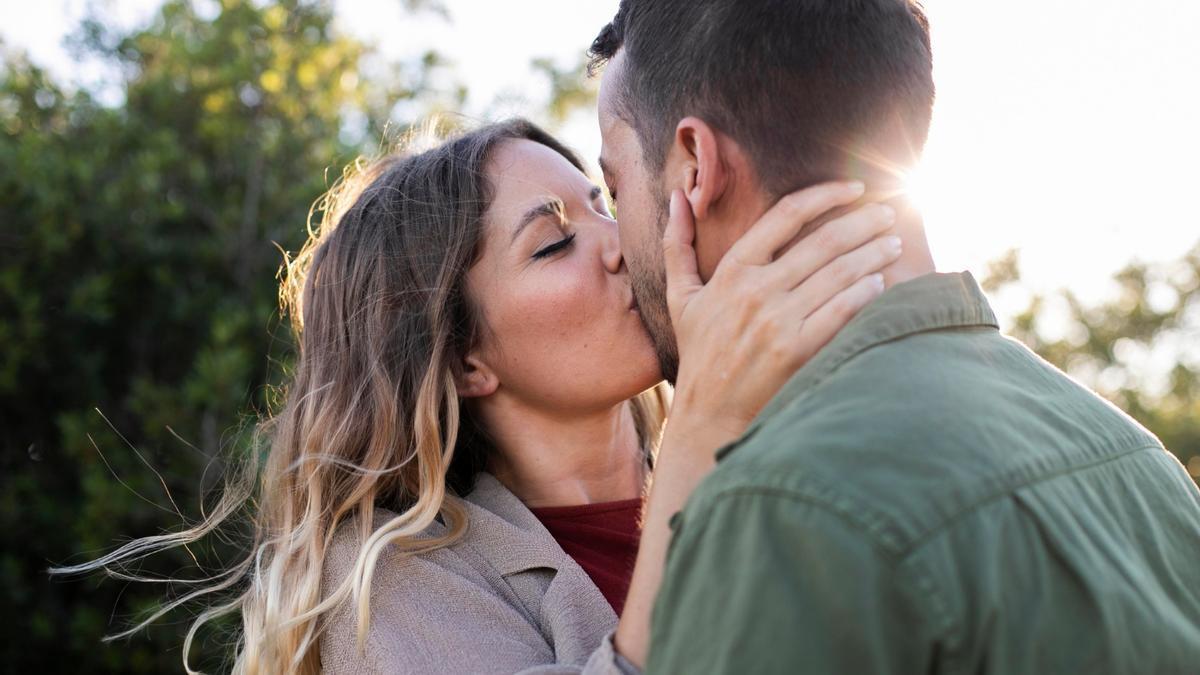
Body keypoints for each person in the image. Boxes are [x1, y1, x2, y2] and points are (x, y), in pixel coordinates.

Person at [52, 117, 902, 673]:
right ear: (464, 360)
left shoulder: (771, 468)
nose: (618, 244)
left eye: (603, 205)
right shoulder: (391, 584)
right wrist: (702, 430)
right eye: (554, 243)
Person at [588, 1, 1200, 673]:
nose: (614, 245)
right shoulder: (1135, 456)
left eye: (615, 191)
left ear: (696, 166)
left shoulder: (784, 504)